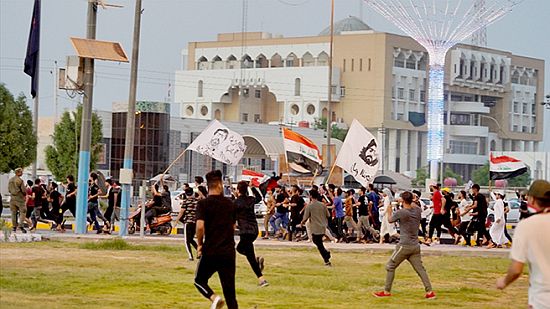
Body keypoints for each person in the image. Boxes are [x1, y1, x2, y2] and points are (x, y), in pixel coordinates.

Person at [496, 180, 550, 309]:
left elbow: (516, 269)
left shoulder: (526, 226)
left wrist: (503, 282)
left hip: (542, 298)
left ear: (531, 199)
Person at [373, 191, 436, 299]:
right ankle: (429, 292)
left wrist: (389, 211)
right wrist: (407, 199)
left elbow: (390, 220)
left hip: (404, 245)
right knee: (420, 269)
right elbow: (412, 204)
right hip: (415, 245)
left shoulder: (401, 212)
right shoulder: (417, 210)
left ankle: (386, 291)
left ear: (402, 200)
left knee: (390, 266)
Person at [194, 170, 238, 309]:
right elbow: (233, 226)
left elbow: (200, 227)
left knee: (200, 280)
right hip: (228, 252)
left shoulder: (203, 204)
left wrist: (200, 244)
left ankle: (214, 298)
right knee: (230, 292)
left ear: (208, 186)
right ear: (220, 185)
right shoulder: (230, 204)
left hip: (211, 251)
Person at [234, 181, 269, 287]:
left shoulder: (236, 202)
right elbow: (259, 197)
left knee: (249, 256)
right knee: (240, 248)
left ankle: (262, 279)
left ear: (238, 190)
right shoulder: (250, 199)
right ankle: (257, 263)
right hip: (254, 230)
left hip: (245, 231)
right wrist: (253, 188)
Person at [301, 189, 332, 266]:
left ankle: (326, 257)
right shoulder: (323, 205)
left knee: (317, 242)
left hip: (315, 227)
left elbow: (305, 217)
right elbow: (328, 215)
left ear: (311, 196)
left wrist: (302, 223)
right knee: (319, 242)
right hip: (323, 226)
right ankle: (326, 255)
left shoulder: (310, 206)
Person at [175, 187, 198, 261]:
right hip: (195, 223)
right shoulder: (197, 201)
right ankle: (200, 251)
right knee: (191, 239)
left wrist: (176, 221)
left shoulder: (186, 202)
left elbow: (181, 212)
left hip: (188, 222)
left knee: (187, 241)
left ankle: (190, 256)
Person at [8, 168, 27, 233]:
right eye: (21, 172)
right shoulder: (20, 180)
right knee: (23, 212)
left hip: (12, 198)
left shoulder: (10, 180)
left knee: (13, 213)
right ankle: (21, 225)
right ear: (18, 173)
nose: (22, 173)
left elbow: (9, 190)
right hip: (20, 198)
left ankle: (14, 227)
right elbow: (24, 191)